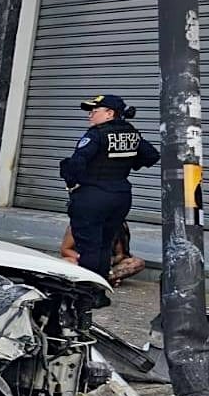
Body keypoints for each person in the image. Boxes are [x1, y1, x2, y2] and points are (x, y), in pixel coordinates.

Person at [60, 94, 159, 279]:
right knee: (105, 245)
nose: (90, 116)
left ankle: (87, 293)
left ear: (109, 113)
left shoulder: (96, 134)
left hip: (93, 196)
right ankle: (100, 290)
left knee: (89, 247)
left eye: (94, 111)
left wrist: (72, 184)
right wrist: (128, 163)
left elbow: (76, 164)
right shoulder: (131, 133)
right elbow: (152, 156)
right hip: (120, 196)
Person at [60, 221, 145, 286]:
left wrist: (111, 260)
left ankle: (105, 279)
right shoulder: (79, 223)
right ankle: (101, 280)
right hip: (85, 262)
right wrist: (84, 258)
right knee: (66, 262)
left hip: (109, 265)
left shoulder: (119, 225)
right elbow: (65, 250)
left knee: (138, 262)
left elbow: (122, 254)